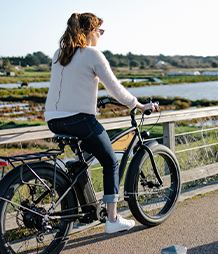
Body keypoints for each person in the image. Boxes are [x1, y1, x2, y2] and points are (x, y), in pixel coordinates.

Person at [44, 12, 158, 233]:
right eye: (100, 31)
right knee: (110, 162)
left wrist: (87, 103)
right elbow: (115, 89)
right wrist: (138, 105)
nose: (100, 35)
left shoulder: (60, 53)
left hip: (54, 120)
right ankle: (113, 219)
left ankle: (87, 206)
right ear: (89, 32)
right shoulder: (92, 54)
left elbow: (67, 87)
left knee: (85, 157)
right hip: (79, 120)